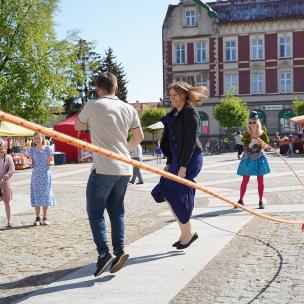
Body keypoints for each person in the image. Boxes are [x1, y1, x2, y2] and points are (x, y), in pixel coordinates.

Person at [74, 72, 144, 277]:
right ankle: (120, 251)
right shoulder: (129, 108)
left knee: (95, 212)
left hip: (103, 167)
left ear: (98, 88)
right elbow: (138, 137)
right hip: (124, 168)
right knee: (117, 211)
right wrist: (124, 152)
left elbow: (78, 126)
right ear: (116, 87)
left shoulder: (93, 105)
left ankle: (104, 254)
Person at [151, 81, 208, 250]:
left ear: (183, 95)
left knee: (173, 190)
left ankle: (187, 233)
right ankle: (186, 233)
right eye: (170, 96)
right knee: (165, 189)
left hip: (189, 160)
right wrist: (169, 163)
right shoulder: (175, 114)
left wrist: (183, 166)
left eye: (174, 95)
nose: (172, 98)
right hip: (176, 160)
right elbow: (171, 141)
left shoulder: (190, 113)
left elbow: (190, 141)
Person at [236, 111, 270, 209]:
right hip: (248, 158)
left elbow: (267, 148)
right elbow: (246, 148)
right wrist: (252, 142)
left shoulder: (262, 134)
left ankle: (260, 201)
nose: (252, 124)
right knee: (245, 179)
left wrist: (263, 144)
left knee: (260, 180)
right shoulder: (246, 134)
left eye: (254, 122)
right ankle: (241, 200)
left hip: (259, 158)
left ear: (257, 122)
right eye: (250, 122)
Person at [28, 133, 55, 226]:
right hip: (36, 175)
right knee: (36, 195)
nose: (37, 140)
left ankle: (45, 217)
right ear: (33, 139)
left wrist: (50, 163)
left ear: (42, 138)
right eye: (35, 138)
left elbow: (52, 161)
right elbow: (31, 162)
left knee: (45, 195)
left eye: (39, 138)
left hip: (45, 175)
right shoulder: (31, 149)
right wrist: (30, 163)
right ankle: (37, 218)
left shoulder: (47, 148)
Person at [0, 140, 15, 228]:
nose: (2, 150)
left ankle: (9, 221)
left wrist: (4, 178)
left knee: (7, 202)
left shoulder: (8, 157)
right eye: (0, 148)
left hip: (6, 183)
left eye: (3, 148)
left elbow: (12, 169)